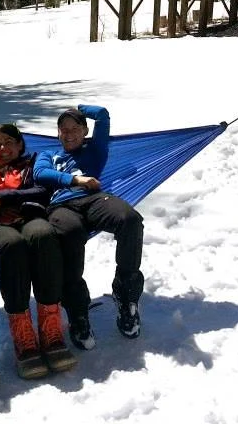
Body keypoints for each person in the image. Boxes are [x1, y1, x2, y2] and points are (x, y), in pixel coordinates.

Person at [32, 104, 145, 351]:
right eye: (63, 129)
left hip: (95, 199)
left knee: (130, 220)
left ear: (85, 131)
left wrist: (79, 109)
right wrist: (74, 180)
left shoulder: (95, 150)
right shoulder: (48, 154)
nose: (69, 134)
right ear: (57, 133)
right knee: (69, 233)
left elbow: (102, 114)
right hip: (61, 205)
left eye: (75, 128)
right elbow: (40, 174)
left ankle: (126, 295)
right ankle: (77, 312)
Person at [0, 123, 77, 379]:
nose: (3, 148)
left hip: (30, 217)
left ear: (20, 144)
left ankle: (50, 329)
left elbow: (43, 190)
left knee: (43, 236)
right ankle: (23, 334)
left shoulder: (33, 165)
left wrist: (4, 197)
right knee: (12, 246)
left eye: (9, 142)